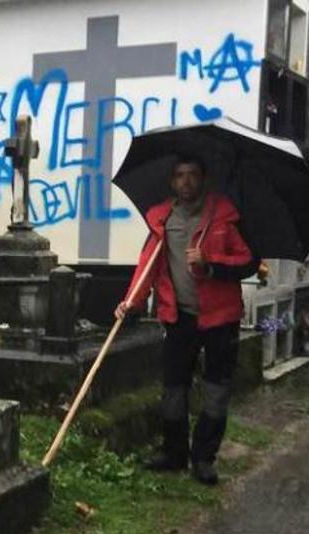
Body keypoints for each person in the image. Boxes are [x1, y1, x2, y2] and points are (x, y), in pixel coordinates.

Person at [114, 155, 257, 486]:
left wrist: (211, 264)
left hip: (221, 317)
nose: (186, 181)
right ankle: (174, 452)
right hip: (178, 317)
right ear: (172, 182)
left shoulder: (223, 216)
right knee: (173, 388)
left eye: (193, 174)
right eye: (180, 175)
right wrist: (131, 303)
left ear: (203, 179)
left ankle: (204, 458)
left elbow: (248, 261)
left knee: (217, 388)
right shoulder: (163, 220)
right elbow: (146, 266)